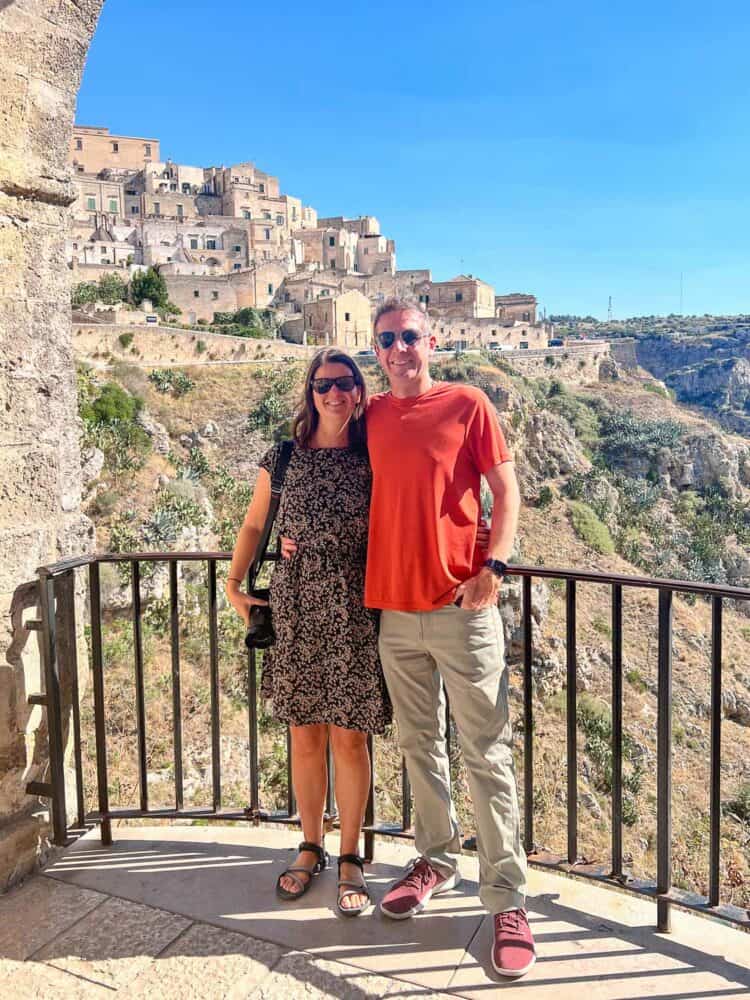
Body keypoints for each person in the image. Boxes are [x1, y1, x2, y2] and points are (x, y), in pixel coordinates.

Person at [365, 298, 535, 979]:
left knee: (486, 754)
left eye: (410, 336)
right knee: (417, 745)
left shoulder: (468, 404)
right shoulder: (373, 415)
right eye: (388, 339)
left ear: (429, 340)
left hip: (464, 608)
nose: (401, 348)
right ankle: (435, 859)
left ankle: (507, 900)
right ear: (375, 348)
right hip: (394, 613)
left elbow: (508, 490)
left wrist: (493, 567)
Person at [226, 347, 391, 916]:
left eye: (345, 383)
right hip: (296, 605)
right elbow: (254, 522)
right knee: (304, 733)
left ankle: (350, 856)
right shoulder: (285, 455)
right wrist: (234, 581)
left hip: (353, 607)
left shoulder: (375, 454)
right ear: (310, 391)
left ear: (360, 390)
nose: (334, 393)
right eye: (323, 384)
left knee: (349, 736)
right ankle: (310, 846)